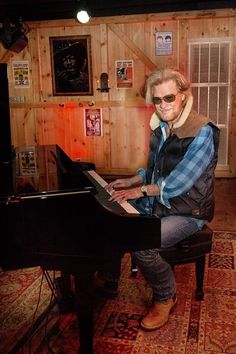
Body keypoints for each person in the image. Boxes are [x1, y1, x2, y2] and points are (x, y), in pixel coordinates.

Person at [105, 68, 220, 331]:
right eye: (157, 100)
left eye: (169, 98)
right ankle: (109, 278)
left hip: (188, 211)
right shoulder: (161, 128)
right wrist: (134, 180)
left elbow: (179, 181)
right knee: (111, 211)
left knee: (143, 245)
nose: (163, 105)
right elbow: (156, 170)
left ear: (183, 96)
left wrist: (141, 191)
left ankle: (166, 296)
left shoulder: (202, 131)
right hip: (160, 204)